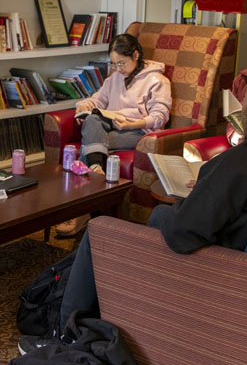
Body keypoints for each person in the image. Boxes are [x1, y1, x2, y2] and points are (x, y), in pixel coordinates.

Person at [22, 53, 247, 352]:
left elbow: (182, 235)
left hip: (218, 274)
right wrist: (213, 187)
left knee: (99, 231)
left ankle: (63, 339)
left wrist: (169, 211)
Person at [54, 32, 172, 237]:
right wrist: (82, 107)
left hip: (139, 133)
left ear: (136, 55)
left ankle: (80, 211)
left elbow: (160, 117)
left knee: (89, 145)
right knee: (91, 119)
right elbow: (97, 100)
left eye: (121, 63)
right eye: (114, 64)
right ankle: (96, 169)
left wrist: (132, 123)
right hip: (113, 128)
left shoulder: (157, 80)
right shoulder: (115, 78)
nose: (118, 69)